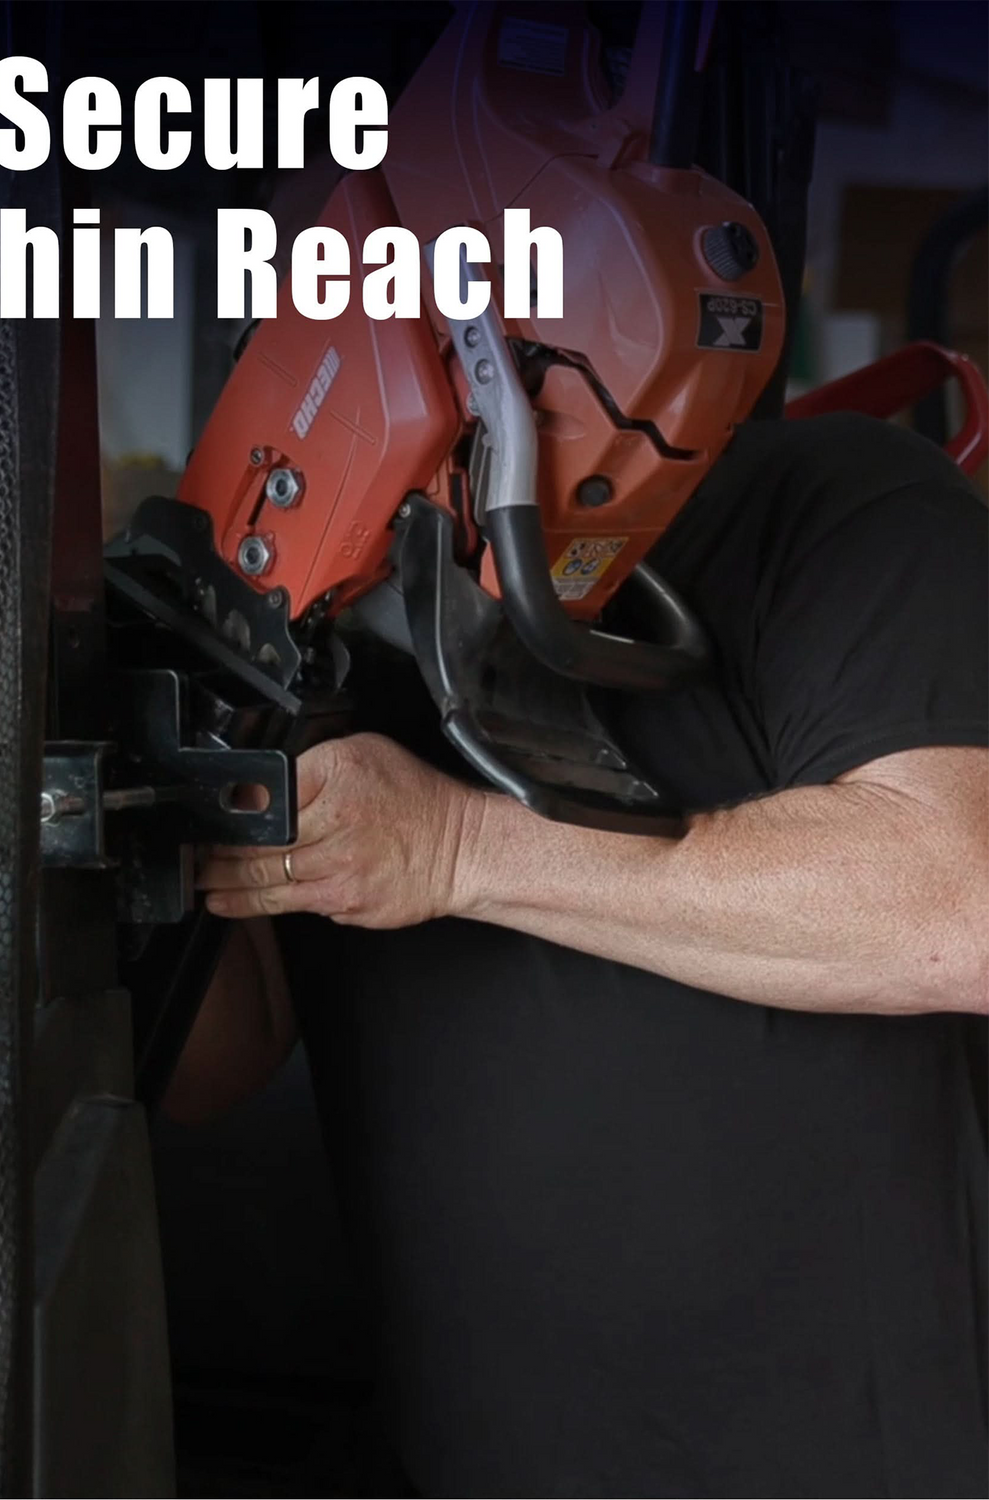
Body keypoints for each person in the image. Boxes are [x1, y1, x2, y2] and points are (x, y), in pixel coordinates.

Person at [165, 411, 989, 1496]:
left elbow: (954, 913)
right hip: (480, 1442)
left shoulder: (834, 499)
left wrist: (462, 848)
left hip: (836, 1451)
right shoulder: (301, 588)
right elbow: (212, 1066)